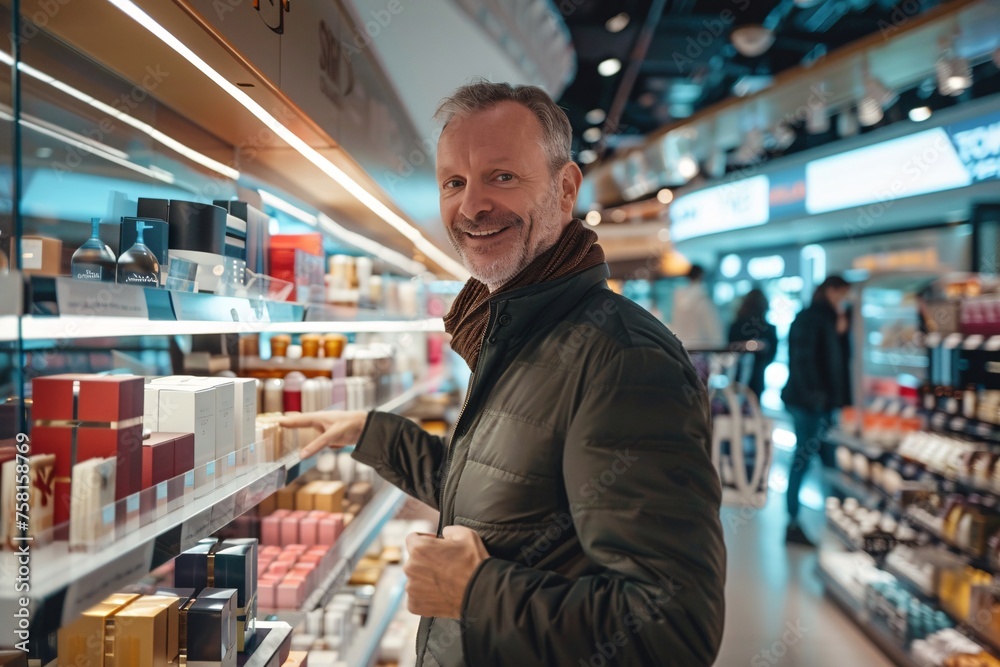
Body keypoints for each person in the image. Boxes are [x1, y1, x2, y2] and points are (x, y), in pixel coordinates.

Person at [279, 82, 725, 666]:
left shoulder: (623, 359)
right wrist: (373, 432)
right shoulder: (514, 335)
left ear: (565, 190)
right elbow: (507, 498)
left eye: (502, 176)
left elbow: (673, 631)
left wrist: (474, 593)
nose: (472, 207)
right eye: (454, 183)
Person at [781, 275, 852, 547]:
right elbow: (805, 362)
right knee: (804, 460)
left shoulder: (825, 318)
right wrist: (818, 398)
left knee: (825, 461)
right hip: (810, 405)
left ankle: (841, 521)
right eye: (841, 294)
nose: (843, 300)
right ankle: (793, 522)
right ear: (831, 291)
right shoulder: (814, 318)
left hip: (818, 404)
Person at [727, 288, 778, 399]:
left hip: (735, 376)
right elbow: (771, 355)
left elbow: (729, 349)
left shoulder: (736, 326)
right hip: (756, 378)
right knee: (753, 404)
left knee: (734, 405)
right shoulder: (768, 329)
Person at [670, 264, 724, 349]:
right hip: (700, 349)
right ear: (701, 276)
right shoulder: (702, 299)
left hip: (681, 348)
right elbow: (712, 329)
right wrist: (719, 347)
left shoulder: (677, 298)